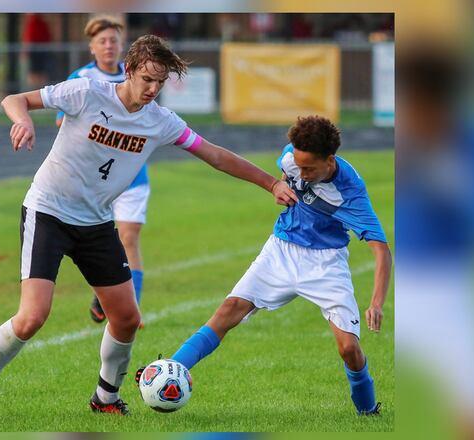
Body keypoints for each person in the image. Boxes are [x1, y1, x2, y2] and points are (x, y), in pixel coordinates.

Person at [0, 34, 298, 423]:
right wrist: (23, 121)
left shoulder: (160, 122)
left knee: (127, 319)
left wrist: (270, 183)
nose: (153, 89)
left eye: (161, 82)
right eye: (147, 79)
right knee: (33, 317)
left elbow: (215, 155)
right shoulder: (86, 92)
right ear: (129, 70)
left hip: (97, 222)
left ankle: (105, 396)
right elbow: (14, 99)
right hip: (48, 212)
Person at [137, 115, 392, 416]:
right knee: (229, 309)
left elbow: (382, 251)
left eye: (309, 168)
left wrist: (376, 303)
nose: (302, 172)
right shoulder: (291, 158)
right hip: (281, 251)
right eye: (299, 165)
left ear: (330, 161)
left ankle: (367, 409)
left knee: (349, 349)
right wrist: (277, 186)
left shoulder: (351, 195)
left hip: (326, 264)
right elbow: (284, 176)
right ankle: (171, 370)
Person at [56, 16, 149, 327]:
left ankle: (131, 310)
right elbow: (62, 120)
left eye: (113, 40)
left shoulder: (136, 76)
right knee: (94, 239)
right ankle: (107, 296)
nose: (109, 46)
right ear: (92, 47)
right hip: (92, 177)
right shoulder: (81, 78)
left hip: (132, 173)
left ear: (122, 45)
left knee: (129, 236)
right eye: (103, 41)